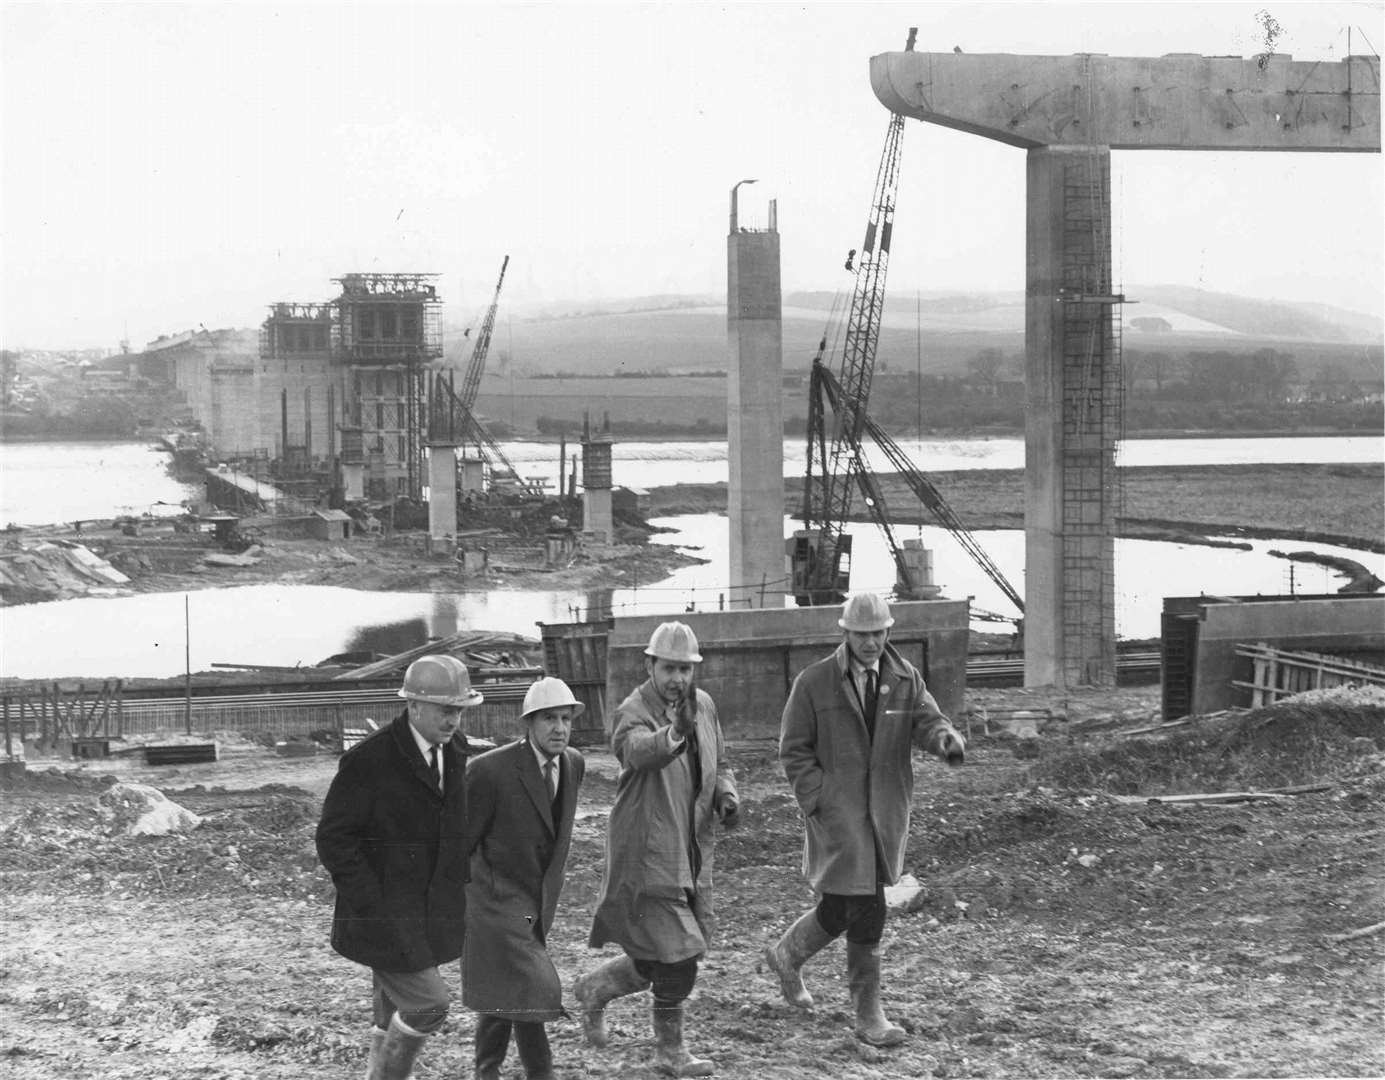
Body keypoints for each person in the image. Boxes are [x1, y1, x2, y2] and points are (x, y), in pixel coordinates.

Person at [768, 593, 965, 1047]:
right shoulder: (815, 682)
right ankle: (867, 1012)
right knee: (868, 903)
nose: (872, 642)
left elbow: (928, 721)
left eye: (878, 633)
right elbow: (793, 748)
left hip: (884, 811)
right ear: (846, 633)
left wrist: (946, 740)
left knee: (843, 904)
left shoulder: (903, 677)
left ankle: (786, 955)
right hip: (839, 814)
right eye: (862, 634)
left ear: (888, 632)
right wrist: (817, 799)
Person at [575, 621, 739, 1078]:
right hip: (648, 849)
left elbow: (719, 761)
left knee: (658, 957)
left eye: (686, 669)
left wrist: (727, 796)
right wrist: (672, 736)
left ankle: (595, 988)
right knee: (681, 956)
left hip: (690, 850)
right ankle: (670, 1052)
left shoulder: (703, 705)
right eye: (669, 668)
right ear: (650, 665)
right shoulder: (634, 709)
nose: (678, 679)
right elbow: (636, 752)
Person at [315, 654, 482, 1080]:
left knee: (391, 1003)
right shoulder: (370, 761)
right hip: (385, 915)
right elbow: (335, 839)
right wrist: (373, 903)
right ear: (413, 706)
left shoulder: (457, 752)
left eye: (459, 710)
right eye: (446, 710)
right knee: (429, 1005)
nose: (454, 720)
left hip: (428, 911)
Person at [461, 677, 587, 1080]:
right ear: (528, 724)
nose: (559, 728)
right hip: (494, 901)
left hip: (536, 903)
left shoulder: (573, 764)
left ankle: (486, 1072)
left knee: (505, 991)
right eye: (549, 718)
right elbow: (461, 843)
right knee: (533, 987)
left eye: (566, 718)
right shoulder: (489, 771)